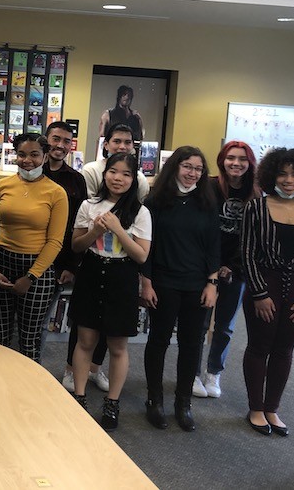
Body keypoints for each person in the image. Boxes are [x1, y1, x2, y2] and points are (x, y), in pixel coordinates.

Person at [70, 152, 152, 431]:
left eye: (126, 174)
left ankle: (112, 402)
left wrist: (118, 229)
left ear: (134, 179)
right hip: (92, 272)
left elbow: (141, 256)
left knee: (118, 346)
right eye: (113, 172)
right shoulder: (89, 205)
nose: (118, 178)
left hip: (122, 276)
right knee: (85, 340)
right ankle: (79, 396)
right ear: (105, 174)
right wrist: (94, 231)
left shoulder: (141, 212)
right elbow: (77, 246)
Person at [241, 148, 294, 437]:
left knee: (285, 350)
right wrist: (260, 294)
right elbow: (247, 254)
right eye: (283, 174)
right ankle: (255, 408)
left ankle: (272, 408)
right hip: (263, 287)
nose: (289, 180)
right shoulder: (255, 208)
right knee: (259, 347)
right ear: (271, 176)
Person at [141, 146, 219, 433]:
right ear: (175, 167)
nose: (192, 173)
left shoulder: (207, 202)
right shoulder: (155, 201)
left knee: (191, 344)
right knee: (158, 341)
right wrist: (146, 282)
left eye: (198, 169)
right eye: (187, 166)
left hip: (197, 284)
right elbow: (146, 246)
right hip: (163, 282)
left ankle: (183, 404)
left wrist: (212, 283)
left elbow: (213, 246)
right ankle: (154, 400)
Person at [0, 134, 68, 363]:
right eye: (22, 154)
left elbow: (55, 241)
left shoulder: (56, 193)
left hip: (36, 270)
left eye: (34, 155)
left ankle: (29, 384)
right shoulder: (1, 186)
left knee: (29, 339)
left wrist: (31, 276)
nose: (27, 160)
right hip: (1, 264)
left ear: (45, 157)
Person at [193, 141, 259, 399]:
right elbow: (200, 229)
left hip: (237, 269)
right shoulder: (209, 187)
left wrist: (232, 266)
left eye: (242, 159)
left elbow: (254, 239)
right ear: (222, 160)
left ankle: (214, 372)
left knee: (224, 326)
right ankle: (192, 373)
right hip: (205, 266)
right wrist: (213, 266)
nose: (236, 163)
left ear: (249, 163)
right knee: (199, 323)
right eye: (231, 158)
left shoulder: (256, 194)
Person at [40, 121, 102, 392]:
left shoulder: (76, 180)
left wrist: (72, 266)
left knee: (40, 323)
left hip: (58, 262)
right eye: (56, 138)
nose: (61, 145)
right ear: (46, 139)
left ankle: (33, 371)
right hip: (23, 255)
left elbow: (79, 226)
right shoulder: (31, 168)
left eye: (67, 141)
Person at [82, 123, 150, 201]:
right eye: (117, 141)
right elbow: (88, 204)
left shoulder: (140, 178)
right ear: (106, 145)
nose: (122, 147)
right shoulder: (91, 171)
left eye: (127, 142)